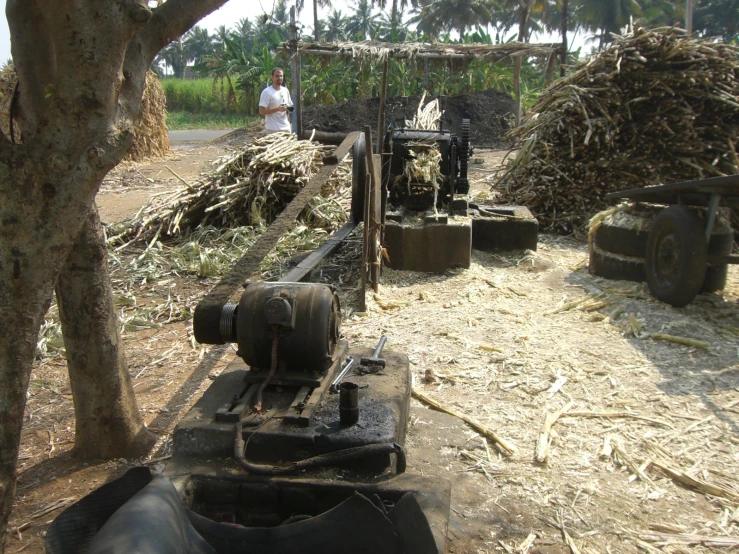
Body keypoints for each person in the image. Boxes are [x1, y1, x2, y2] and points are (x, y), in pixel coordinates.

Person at [259, 67, 293, 134]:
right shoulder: (267, 92)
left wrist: (287, 109)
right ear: (272, 77)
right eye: (277, 76)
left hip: (286, 128)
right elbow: (261, 111)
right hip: (273, 129)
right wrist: (277, 109)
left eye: (281, 76)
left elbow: (291, 108)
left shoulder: (285, 90)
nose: (279, 78)